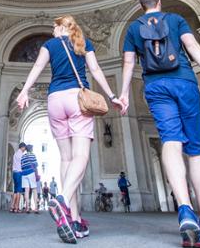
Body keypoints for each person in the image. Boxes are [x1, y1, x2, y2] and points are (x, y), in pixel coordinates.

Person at [120, 0, 200, 246]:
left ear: (141, 6)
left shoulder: (133, 28)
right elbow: (192, 46)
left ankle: (184, 209)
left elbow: (129, 63)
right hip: (184, 81)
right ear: (159, 2)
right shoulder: (176, 20)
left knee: (170, 140)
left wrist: (123, 93)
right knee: (196, 150)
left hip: (156, 87)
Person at [17, 15, 122, 242]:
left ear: (60, 27)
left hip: (55, 100)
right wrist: (112, 95)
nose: (52, 30)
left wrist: (24, 91)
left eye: (54, 27)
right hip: (77, 99)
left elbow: (38, 66)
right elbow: (95, 70)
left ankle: (73, 219)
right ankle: (62, 199)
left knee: (65, 159)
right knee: (80, 156)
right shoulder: (83, 43)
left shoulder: (50, 44)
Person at [21, 144, 39, 213]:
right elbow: (35, 165)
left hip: (24, 174)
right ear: (31, 149)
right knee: (34, 189)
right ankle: (36, 208)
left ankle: (27, 208)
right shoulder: (33, 155)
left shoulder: (23, 156)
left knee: (26, 190)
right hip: (31, 173)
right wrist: (36, 173)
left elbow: (22, 166)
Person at [10, 142, 25, 213]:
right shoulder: (21, 154)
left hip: (14, 173)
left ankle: (12, 207)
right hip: (19, 173)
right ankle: (17, 207)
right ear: (22, 147)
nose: (24, 149)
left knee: (15, 191)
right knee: (19, 191)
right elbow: (23, 165)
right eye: (24, 148)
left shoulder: (15, 154)